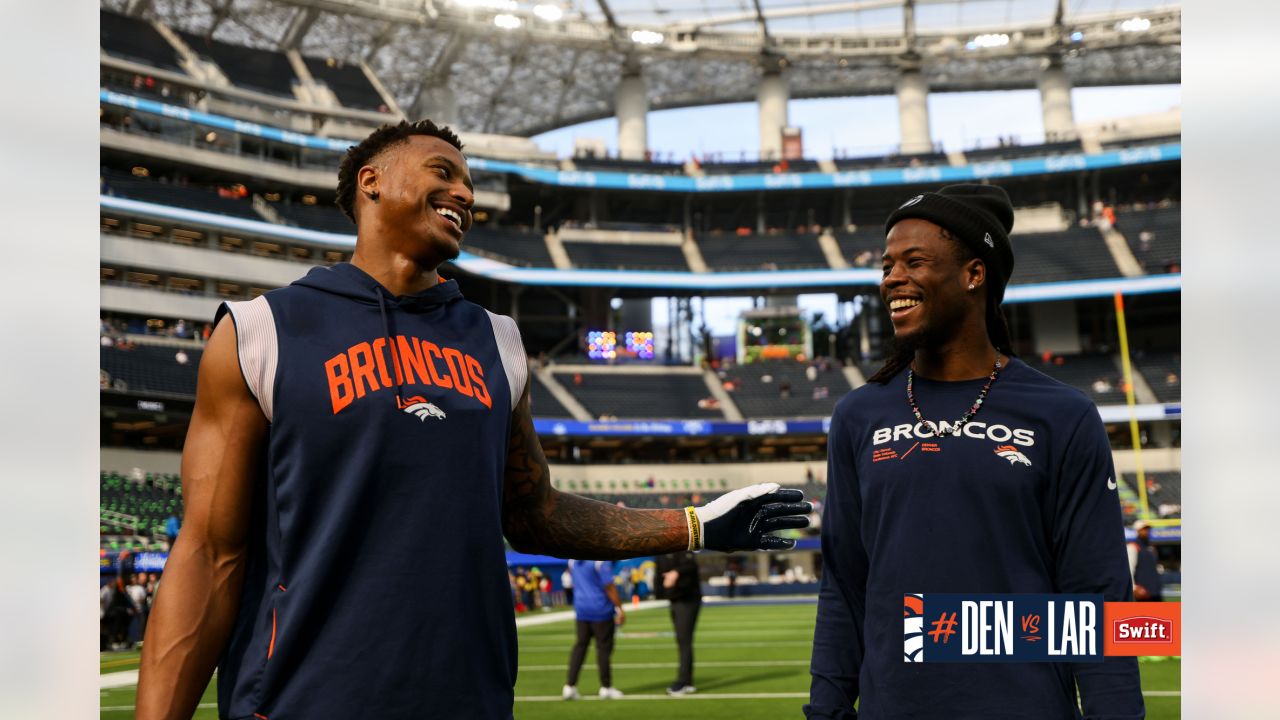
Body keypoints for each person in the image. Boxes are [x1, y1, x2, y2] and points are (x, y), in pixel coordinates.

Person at [136, 119, 812, 720]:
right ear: (371, 182)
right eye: (444, 173)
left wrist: (693, 524)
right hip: (300, 697)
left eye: (469, 183)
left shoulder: (498, 341)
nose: (466, 194)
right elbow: (206, 554)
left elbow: (533, 513)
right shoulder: (263, 330)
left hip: (468, 696)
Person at [806, 184, 1142, 719]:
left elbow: (1098, 597)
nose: (893, 278)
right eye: (888, 264)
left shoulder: (1062, 414)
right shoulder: (858, 415)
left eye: (914, 261)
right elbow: (845, 585)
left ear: (974, 274)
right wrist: (825, 710)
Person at [562, 559, 626, 700]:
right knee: (603, 649)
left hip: (581, 610)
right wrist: (620, 608)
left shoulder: (572, 561)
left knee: (580, 646)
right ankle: (606, 687)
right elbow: (609, 586)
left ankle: (569, 686)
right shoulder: (599, 561)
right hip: (601, 610)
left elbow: (571, 582)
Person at [655, 550, 702, 696]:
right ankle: (687, 681)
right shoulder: (660, 551)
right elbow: (659, 572)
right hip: (675, 599)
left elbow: (691, 565)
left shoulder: (682, 548)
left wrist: (675, 572)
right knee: (682, 641)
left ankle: (683, 681)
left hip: (687, 599)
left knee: (684, 640)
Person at [1128, 520, 1163, 601]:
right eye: (1144, 529)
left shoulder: (1150, 547)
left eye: (1147, 529)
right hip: (1142, 592)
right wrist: (1134, 588)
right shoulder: (1133, 546)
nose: (1146, 531)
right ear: (1138, 531)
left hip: (1155, 591)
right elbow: (1130, 568)